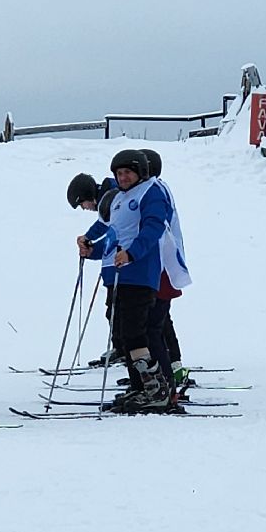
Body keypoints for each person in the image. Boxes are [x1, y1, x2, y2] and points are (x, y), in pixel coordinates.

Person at [81, 148, 172, 411]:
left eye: (128, 173)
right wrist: (92, 250)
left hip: (139, 273)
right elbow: (114, 238)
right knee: (123, 335)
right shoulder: (119, 199)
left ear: (140, 172)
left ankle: (156, 390)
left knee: (135, 333)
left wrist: (132, 253)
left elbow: (154, 227)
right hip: (120, 274)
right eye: (119, 173)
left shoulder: (150, 191)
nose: (122, 178)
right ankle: (139, 386)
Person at [139, 147, 192, 392]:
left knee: (156, 324)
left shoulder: (154, 191)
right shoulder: (156, 188)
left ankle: (168, 373)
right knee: (159, 322)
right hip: (163, 264)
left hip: (162, 265)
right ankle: (168, 369)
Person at [67, 173, 125, 367]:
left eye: (82, 203)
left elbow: (111, 234)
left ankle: (127, 350)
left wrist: (90, 242)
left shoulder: (112, 199)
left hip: (121, 266)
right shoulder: (106, 202)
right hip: (114, 266)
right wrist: (88, 242)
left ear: (87, 195)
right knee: (113, 309)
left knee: (119, 310)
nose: (84, 208)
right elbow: (103, 229)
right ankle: (121, 348)